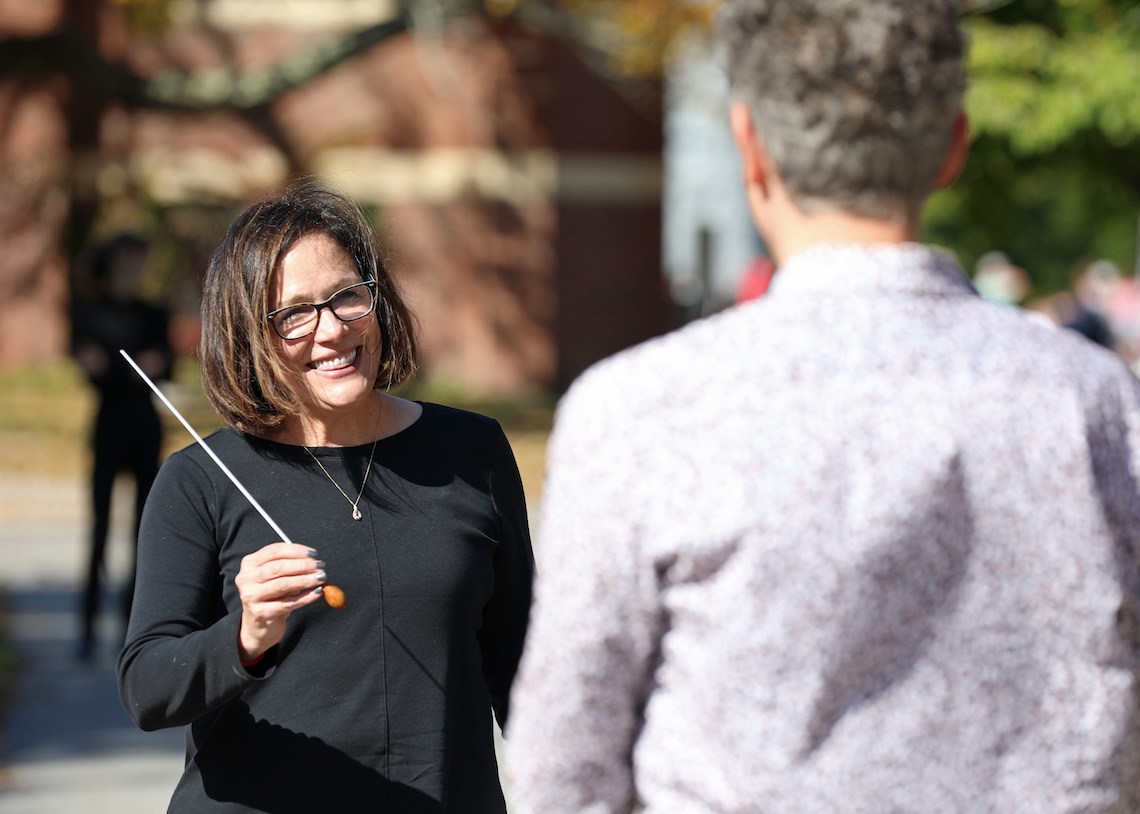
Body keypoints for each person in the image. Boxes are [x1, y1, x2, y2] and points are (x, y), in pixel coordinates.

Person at [505, 2, 1140, 813]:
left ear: (751, 147)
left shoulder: (642, 411)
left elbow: (566, 764)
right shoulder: (1097, 406)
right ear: (952, 145)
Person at [117, 182, 535, 812]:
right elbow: (147, 687)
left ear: (377, 298)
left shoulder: (473, 451)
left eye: (345, 297)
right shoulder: (199, 480)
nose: (332, 329)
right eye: (294, 313)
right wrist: (246, 634)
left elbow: (521, 660)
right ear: (249, 334)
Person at [70, 232, 173, 663]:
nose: (137, 268)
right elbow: (89, 365)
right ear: (114, 263)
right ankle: (87, 629)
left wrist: (148, 365)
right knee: (98, 528)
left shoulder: (153, 313)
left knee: (142, 530)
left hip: (144, 425)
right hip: (108, 423)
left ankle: (131, 627)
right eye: (131, 259)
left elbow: (163, 366)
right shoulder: (90, 312)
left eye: (141, 260)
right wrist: (104, 366)